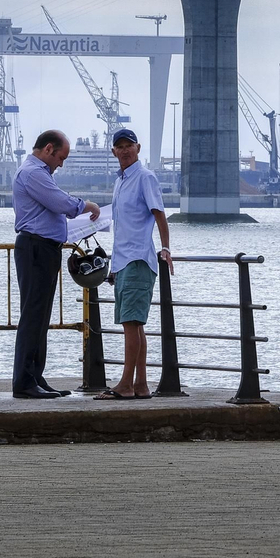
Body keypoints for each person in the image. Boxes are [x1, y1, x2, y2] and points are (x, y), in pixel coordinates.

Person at [11, 129, 99, 399]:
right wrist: (88, 206)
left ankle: (35, 377)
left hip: (43, 248)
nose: (61, 163)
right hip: (35, 248)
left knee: (41, 317)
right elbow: (60, 202)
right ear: (48, 149)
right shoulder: (33, 173)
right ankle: (25, 382)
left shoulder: (39, 173)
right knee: (33, 315)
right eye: (61, 157)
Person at [96, 127, 172, 399]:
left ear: (138, 148)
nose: (125, 150)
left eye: (130, 145)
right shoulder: (120, 181)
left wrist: (165, 248)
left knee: (131, 321)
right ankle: (140, 384)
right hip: (124, 260)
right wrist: (115, 266)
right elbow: (122, 226)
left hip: (139, 258)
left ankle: (126, 384)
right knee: (135, 324)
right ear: (113, 151)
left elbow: (160, 215)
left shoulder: (145, 177)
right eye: (120, 146)